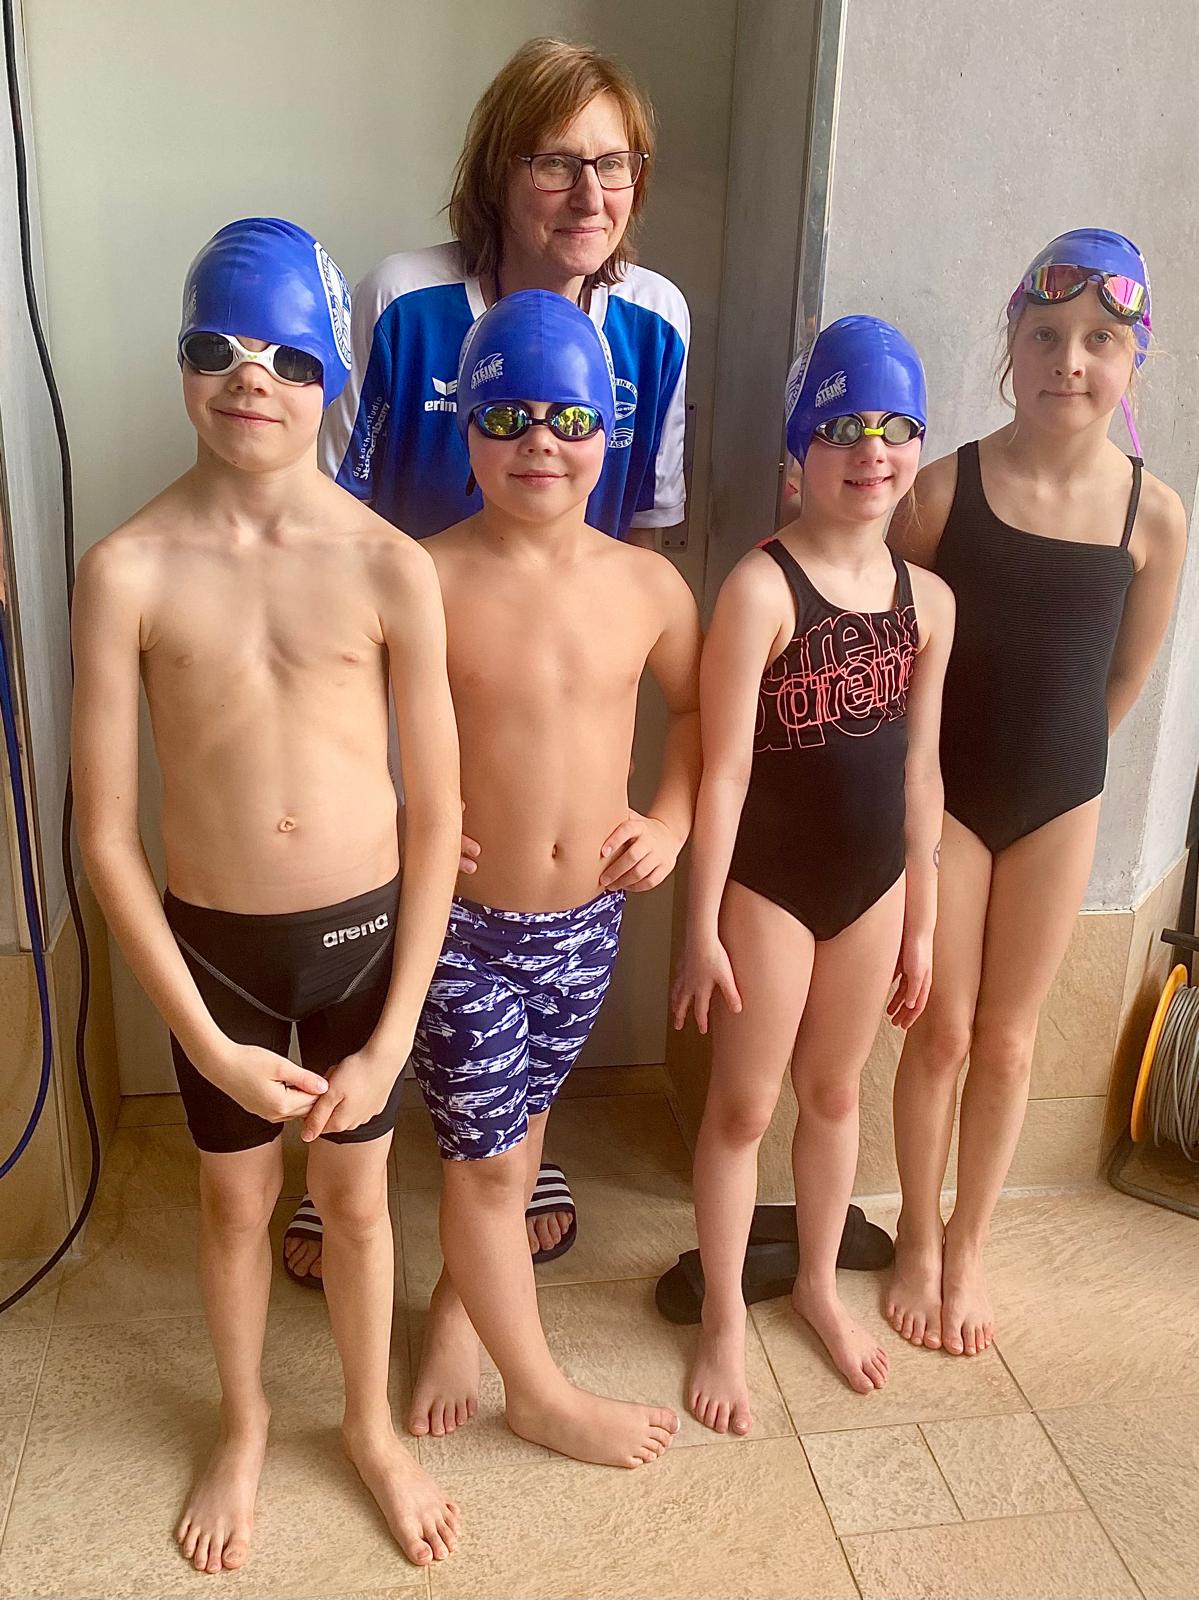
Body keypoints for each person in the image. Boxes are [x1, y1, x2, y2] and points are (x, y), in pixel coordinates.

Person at [70, 219, 462, 1571]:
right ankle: (242, 1424)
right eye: (216, 348)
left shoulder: (389, 565)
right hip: (215, 957)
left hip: (362, 946)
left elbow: (438, 815)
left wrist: (396, 1034)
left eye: (290, 357)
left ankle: (367, 1426)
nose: (252, 378)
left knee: (356, 1203)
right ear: (180, 366)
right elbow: (105, 838)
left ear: (331, 380)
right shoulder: (125, 569)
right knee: (234, 1206)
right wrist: (199, 1037)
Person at [286, 36, 691, 1285]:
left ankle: (522, 1146)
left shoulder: (655, 317)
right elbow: (323, 526)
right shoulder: (405, 299)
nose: (587, 193)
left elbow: (640, 544)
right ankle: (344, 1157)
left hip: (543, 700)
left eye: (613, 164)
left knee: (519, 1043)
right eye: (554, 162)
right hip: (403, 675)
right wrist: (383, 785)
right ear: (495, 171)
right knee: (365, 943)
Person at [395, 288, 701, 1460]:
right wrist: (396, 824)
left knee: (515, 1146)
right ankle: (537, 1391)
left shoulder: (647, 586)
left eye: (567, 418)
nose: (539, 441)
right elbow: (332, 721)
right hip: (460, 928)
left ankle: (453, 1312)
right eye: (507, 414)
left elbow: (697, 715)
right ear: (465, 427)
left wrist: (669, 818)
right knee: (486, 1167)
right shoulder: (418, 578)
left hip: (585, 928)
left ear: (606, 432)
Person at [886, 229, 1187, 1357]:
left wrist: (1055, 767)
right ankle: (916, 1235)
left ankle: (968, 1245)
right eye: (1047, 334)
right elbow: (892, 655)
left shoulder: (1152, 516)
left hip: (1058, 800)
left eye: (1100, 339)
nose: (1070, 360)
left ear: (1133, 359)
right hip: (950, 800)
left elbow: (1121, 679)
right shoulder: (939, 493)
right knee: (940, 1032)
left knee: (1007, 1043)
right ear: (1010, 343)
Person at [672, 318, 955, 1428]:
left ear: (916, 445)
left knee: (834, 1096)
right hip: (770, 891)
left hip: (874, 888)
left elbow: (921, 772)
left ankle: (816, 1286)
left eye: (892, 428)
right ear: (799, 450)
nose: (868, 451)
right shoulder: (760, 588)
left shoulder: (928, 602)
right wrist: (699, 927)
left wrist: (921, 920)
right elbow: (723, 773)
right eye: (839, 428)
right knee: (744, 1107)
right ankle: (722, 1317)